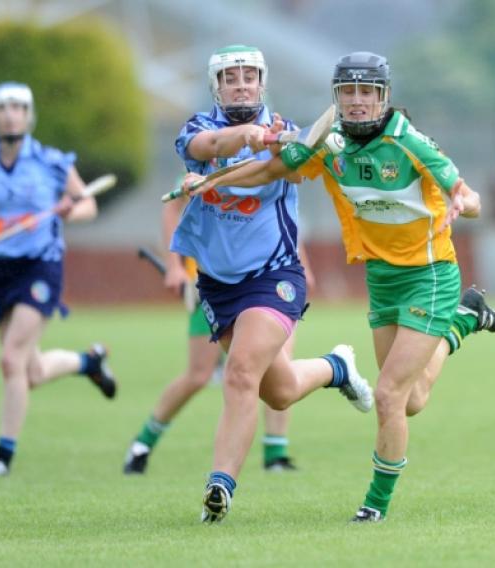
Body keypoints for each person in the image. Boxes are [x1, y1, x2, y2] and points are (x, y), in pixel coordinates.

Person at [190, 51, 495, 522]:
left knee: (389, 396)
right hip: (381, 277)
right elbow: (272, 170)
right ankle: (464, 320)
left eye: (367, 93)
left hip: (431, 273)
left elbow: (465, 192)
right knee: (412, 400)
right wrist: (217, 182)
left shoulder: (412, 142)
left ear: (383, 97)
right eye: (348, 93)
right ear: (337, 97)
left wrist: (466, 201)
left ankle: (375, 505)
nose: (357, 102)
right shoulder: (328, 143)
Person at [172, 45, 374, 523]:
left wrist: (266, 144)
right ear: (215, 87)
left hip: (274, 275)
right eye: (230, 78)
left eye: (249, 76)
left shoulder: (289, 139)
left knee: (241, 373)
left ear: (263, 83)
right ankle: (336, 368)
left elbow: (269, 170)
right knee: (277, 390)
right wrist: (238, 144)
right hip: (218, 285)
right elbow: (208, 149)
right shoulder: (196, 130)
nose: (240, 84)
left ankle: (219, 487)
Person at [122, 191, 318, 475]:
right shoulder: (206, 163)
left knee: (279, 365)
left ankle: (276, 451)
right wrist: (175, 266)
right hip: (216, 288)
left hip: (267, 286)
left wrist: (305, 265)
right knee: (199, 374)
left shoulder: (270, 162)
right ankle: (143, 443)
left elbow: (284, 219)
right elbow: (172, 209)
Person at [0, 82, 117, 477]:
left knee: (11, 359)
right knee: (31, 372)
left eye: (17, 107)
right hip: (0, 270)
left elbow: (88, 205)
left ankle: (3, 456)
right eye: (2, 108)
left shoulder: (50, 162)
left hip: (39, 268)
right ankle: (88, 362)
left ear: (28, 115)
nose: (9, 114)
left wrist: (65, 213)